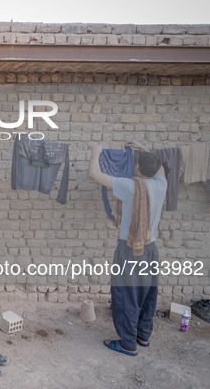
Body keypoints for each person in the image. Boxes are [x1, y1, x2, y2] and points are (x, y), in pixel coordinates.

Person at [88, 140, 167, 356]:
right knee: (147, 293)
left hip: (130, 248)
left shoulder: (131, 186)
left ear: (138, 168)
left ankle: (127, 344)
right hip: (150, 249)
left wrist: (96, 152)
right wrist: (144, 147)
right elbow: (159, 166)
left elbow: (94, 174)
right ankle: (143, 335)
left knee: (126, 295)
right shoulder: (161, 184)